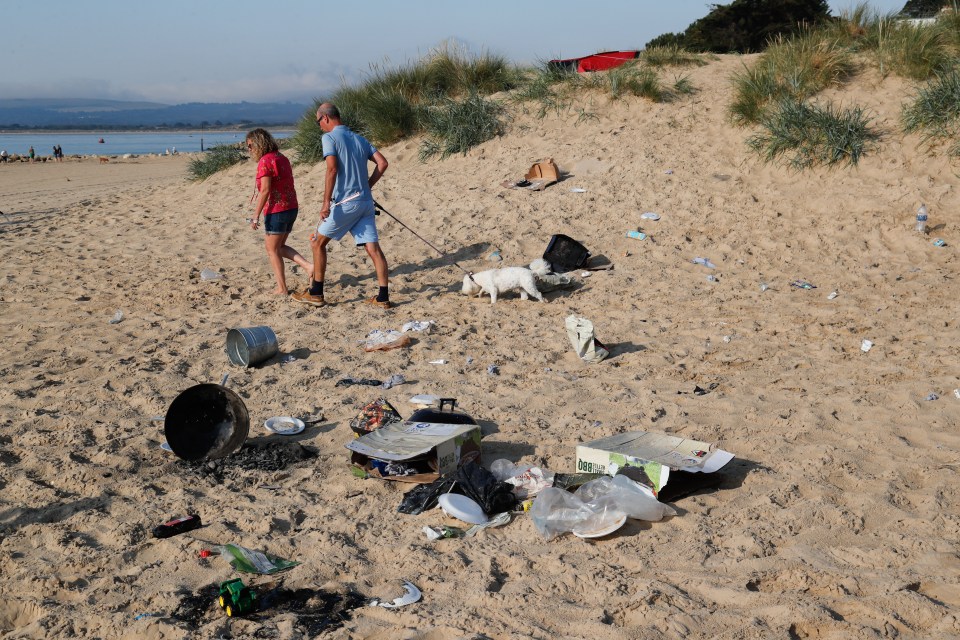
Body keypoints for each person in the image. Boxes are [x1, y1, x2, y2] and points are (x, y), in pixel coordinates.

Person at [292, 103, 391, 309]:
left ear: (326, 118)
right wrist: (367, 186)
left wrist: (325, 202)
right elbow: (382, 163)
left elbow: (332, 169)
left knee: (317, 243)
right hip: (364, 202)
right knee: (373, 249)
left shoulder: (329, 137)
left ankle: (316, 293)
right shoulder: (359, 138)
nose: (319, 126)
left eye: (318, 121)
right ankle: (383, 297)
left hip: (346, 203)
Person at [245, 128, 313, 295]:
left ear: (258, 143)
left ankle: (283, 288)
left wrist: (255, 216)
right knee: (279, 247)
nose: (249, 149)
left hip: (277, 210)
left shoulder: (265, 161)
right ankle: (308, 266)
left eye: (250, 145)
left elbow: (265, 190)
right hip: (291, 207)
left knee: (272, 250)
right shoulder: (281, 158)